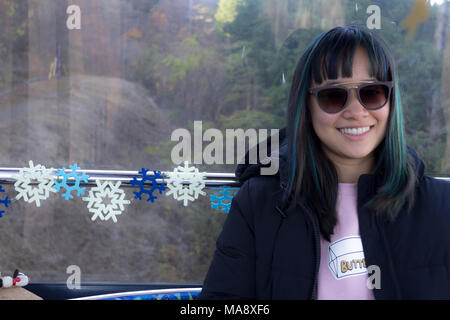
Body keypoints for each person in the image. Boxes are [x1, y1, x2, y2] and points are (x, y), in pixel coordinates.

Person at [197, 25, 450, 300]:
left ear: (391, 102)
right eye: (333, 96)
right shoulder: (258, 204)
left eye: (372, 92)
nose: (356, 112)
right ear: (305, 107)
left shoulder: (442, 206)